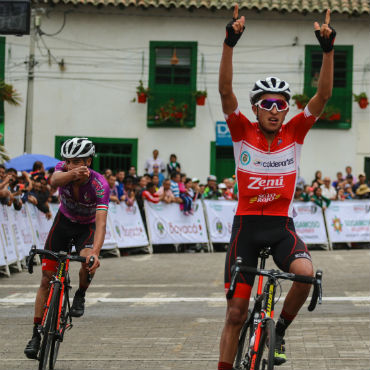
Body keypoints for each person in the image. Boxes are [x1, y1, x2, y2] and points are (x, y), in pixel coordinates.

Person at [217, 6, 336, 369]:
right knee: (236, 314)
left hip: (281, 226)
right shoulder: (242, 131)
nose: (273, 109)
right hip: (247, 228)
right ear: (255, 109)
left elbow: (323, 97)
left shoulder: (295, 132)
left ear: (287, 110)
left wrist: (328, 52)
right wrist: (229, 43)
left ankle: (280, 328)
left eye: (280, 105)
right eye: (266, 104)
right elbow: (224, 91)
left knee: (304, 276)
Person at [24, 138, 109, 360]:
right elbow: (54, 180)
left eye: (78, 161)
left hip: (87, 227)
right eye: (69, 161)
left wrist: (95, 253)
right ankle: (35, 335)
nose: (71, 165)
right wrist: (72, 172)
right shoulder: (64, 170)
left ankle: (80, 294)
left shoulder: (100, 185)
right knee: (46, 278)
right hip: (64, 221)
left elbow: (101, 224)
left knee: (86, 261)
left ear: (89, 161)